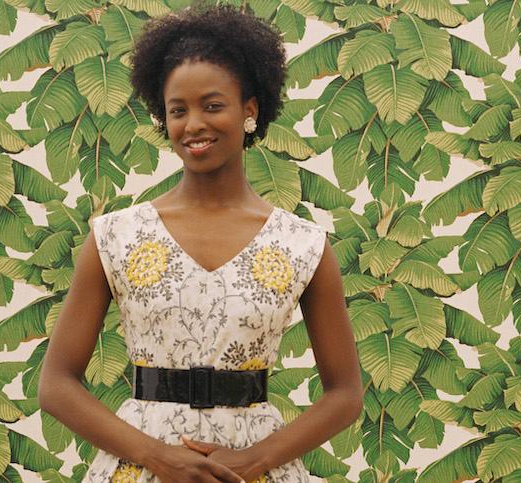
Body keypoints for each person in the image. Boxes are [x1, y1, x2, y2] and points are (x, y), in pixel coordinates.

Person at [37, 4, 363, 482]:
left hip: (252, 469)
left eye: (212, 105)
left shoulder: (302, 243)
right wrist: (157, 456)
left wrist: (256, 459)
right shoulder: (115, 236)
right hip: (142, 466)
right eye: (177, 110)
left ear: (249, 110)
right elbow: (56, 385)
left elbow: (345, 394)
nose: (193, 125)